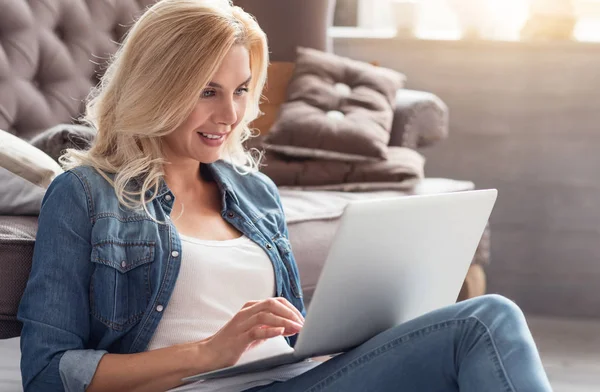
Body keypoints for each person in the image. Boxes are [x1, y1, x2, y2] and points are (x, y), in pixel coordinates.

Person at [17, 1, 553, 391]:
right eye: (207, 91)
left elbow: (294, 337)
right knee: (483, 321)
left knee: (475, 327)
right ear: (156, 85)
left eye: (241, 89)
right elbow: (48, 372)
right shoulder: (86, 196)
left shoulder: (254, 192)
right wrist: (207, 353)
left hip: (296, 380)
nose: (229, 115)